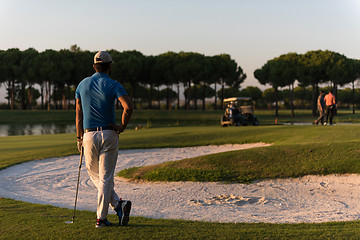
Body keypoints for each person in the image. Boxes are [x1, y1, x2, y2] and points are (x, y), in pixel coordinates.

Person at [75, 51, 134, 228]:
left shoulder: (82, 84)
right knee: (105, 178)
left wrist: (79, 137)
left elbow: (78, 113)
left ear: (94, 66)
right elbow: (128, 107)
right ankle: (117, 205)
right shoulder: (113, 84)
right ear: (109, 66)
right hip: (109, 133)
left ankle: (105, 215)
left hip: (88, 134)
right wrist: (122, 126)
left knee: (96, 175)